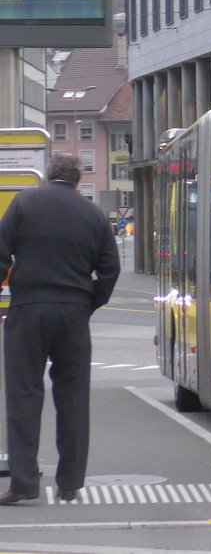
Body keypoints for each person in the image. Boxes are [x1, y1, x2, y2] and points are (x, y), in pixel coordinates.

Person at [0, 151, 120, 505]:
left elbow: (1, 253)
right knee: (72, 396)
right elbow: (109, 269)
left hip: (29, 308)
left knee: (24, 396)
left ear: (48, 175)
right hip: (73, 313)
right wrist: (88, 303)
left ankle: (23, 483)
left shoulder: (24, 203)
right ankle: (70, 482)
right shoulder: (93, 214)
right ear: (79, 179)